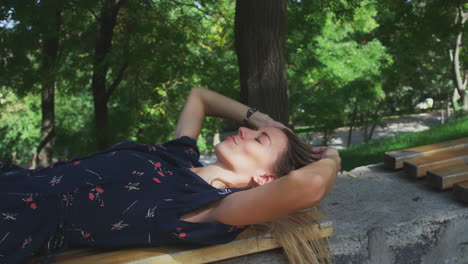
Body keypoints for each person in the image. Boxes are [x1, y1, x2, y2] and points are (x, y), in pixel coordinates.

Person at [0, 87, 340, 264]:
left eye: (259, 139)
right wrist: (264, 120)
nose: (245, 129)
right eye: (251, 129)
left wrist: (333, 158)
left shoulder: (211, 208)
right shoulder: (179, 157)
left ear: (265, 180)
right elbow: (200, 96)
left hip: (14, 224)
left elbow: (310, 185)